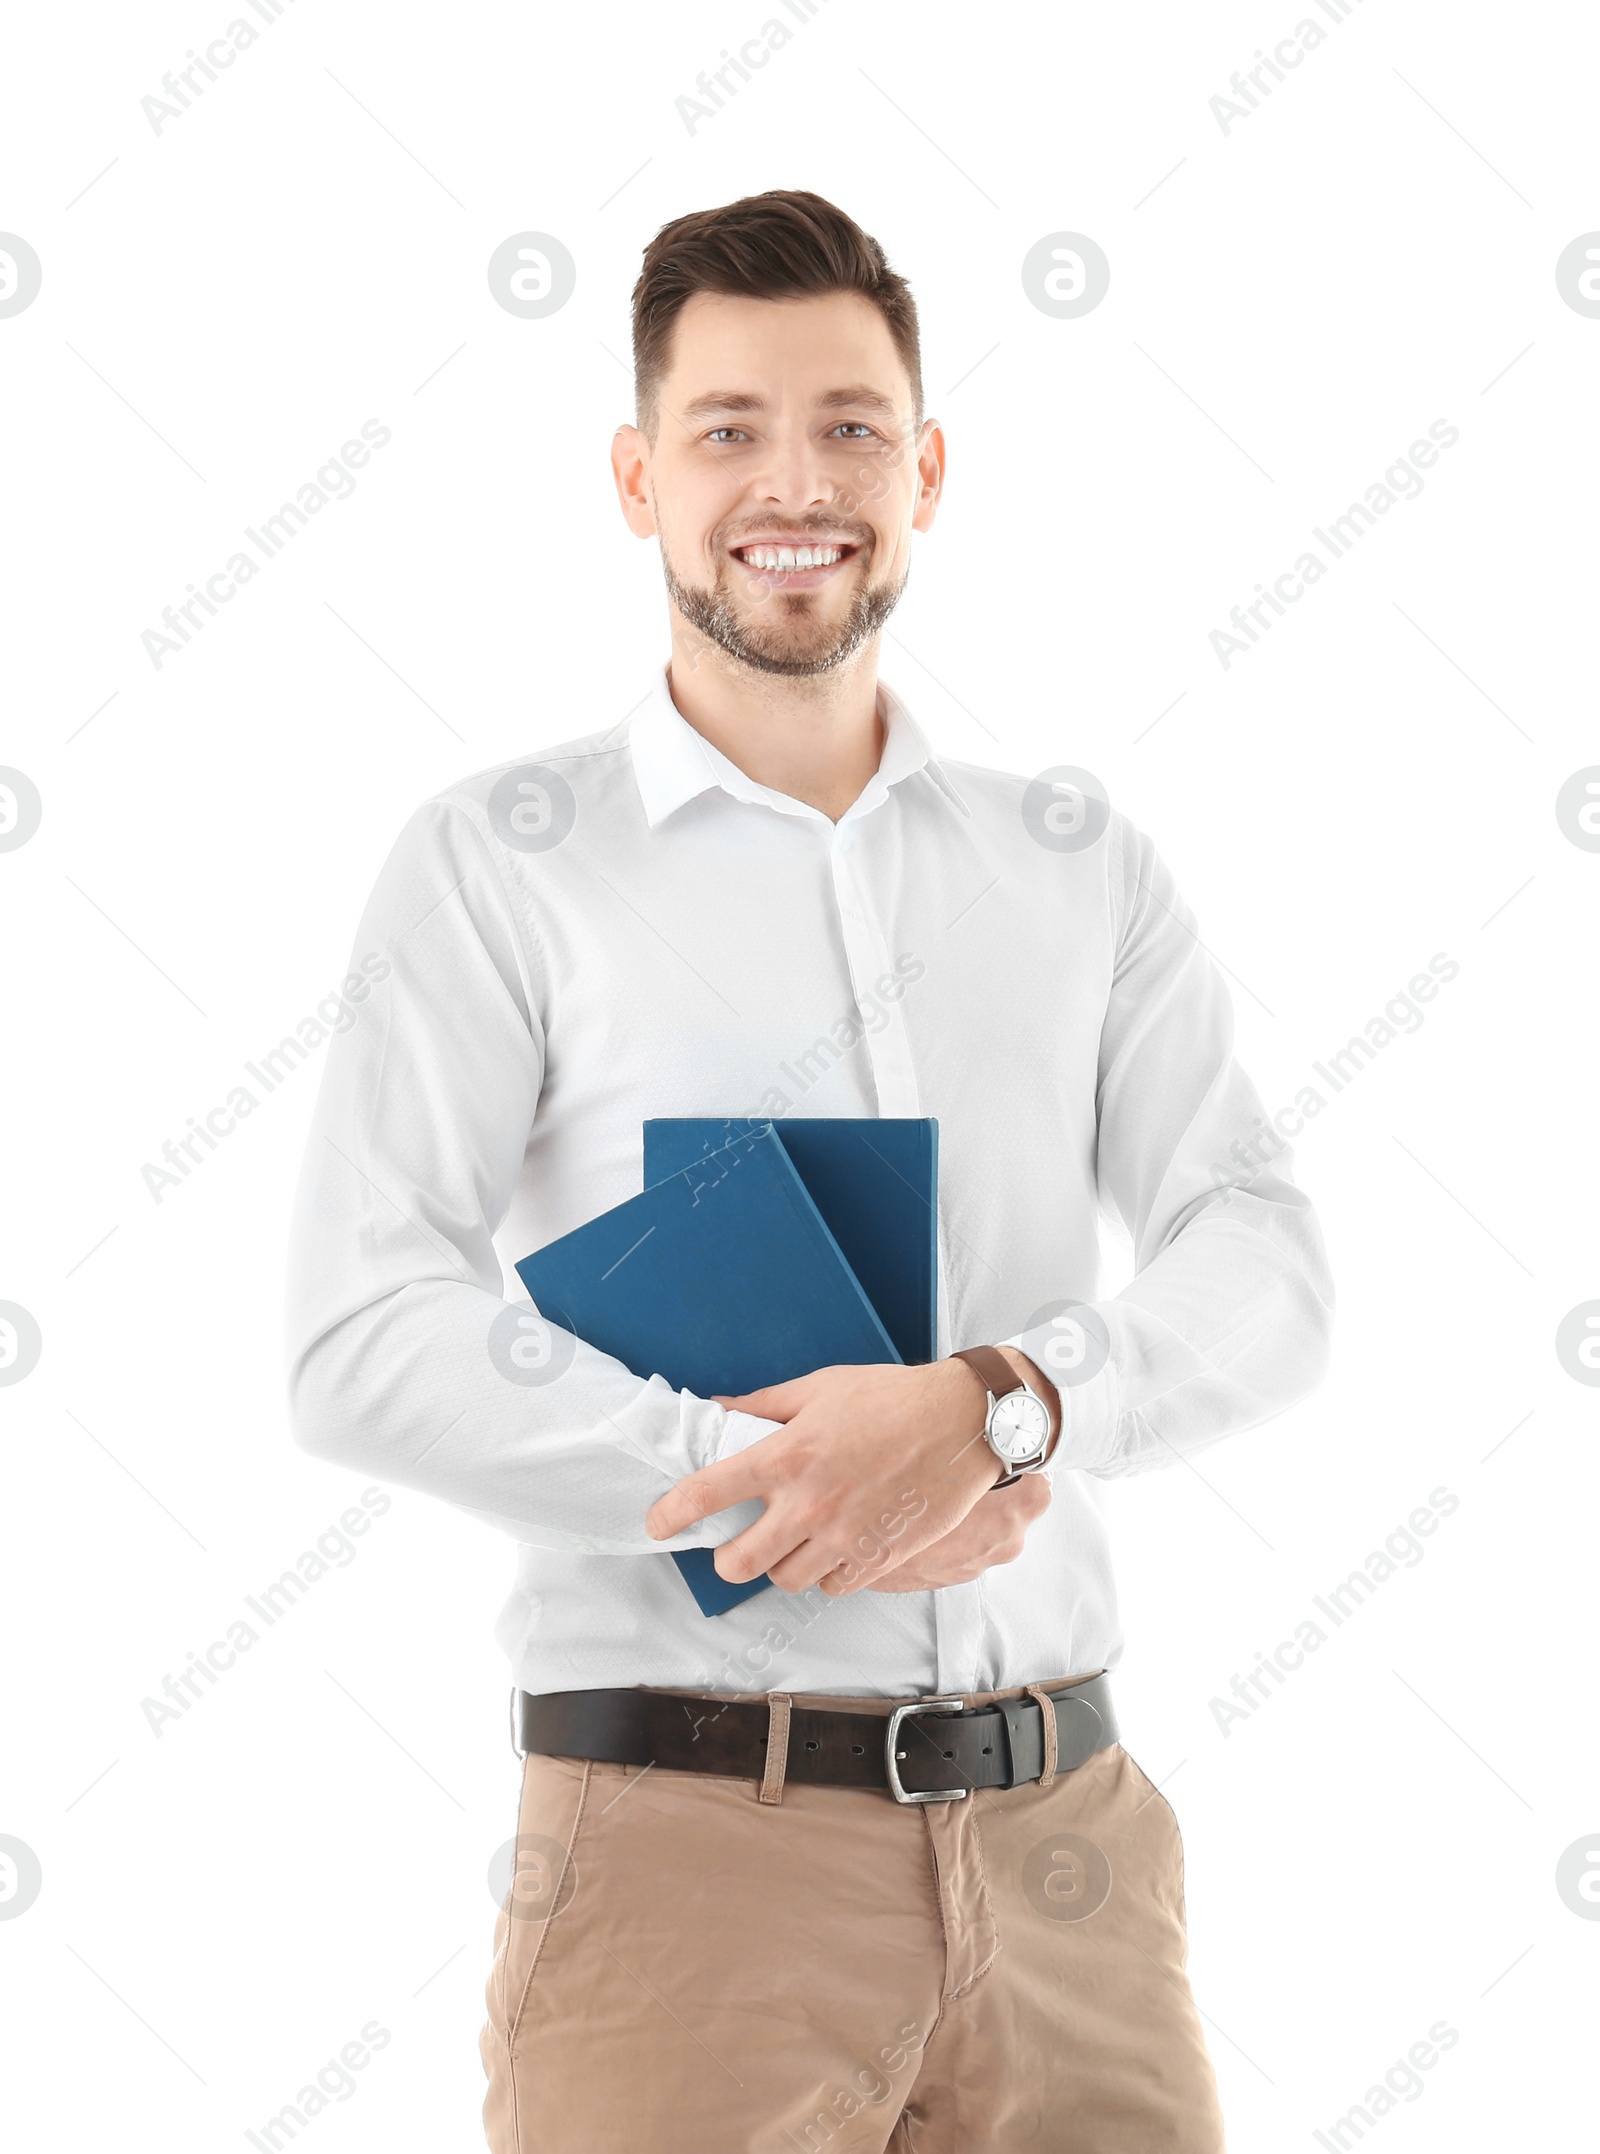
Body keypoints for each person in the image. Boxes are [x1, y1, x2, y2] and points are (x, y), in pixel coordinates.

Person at [284, 187, 1333, 2152]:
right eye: (728, 429)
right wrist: (784, 1481)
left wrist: (996, 1409)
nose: (796, 483)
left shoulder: (1072, 864)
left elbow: (1257, 1253)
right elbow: (357, 1335)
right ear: (635, 478)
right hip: (685, 1874)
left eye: (851, 427)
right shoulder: (497, 863)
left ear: (924, 472)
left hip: (1068, 1863)